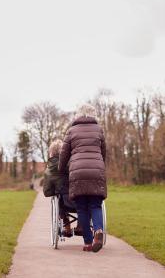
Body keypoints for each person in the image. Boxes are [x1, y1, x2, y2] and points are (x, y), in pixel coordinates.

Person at [58, 104, 107, 252]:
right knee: (95, 205)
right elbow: (104, 152)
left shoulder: (71, 131)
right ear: (93, 115)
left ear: (77, 116)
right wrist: (100, 165)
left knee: (82, 208)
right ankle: (98, 230)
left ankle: (88, 243)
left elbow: (64, 154)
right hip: (97, 172)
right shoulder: (99, 130)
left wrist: (61, 169)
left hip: (77, 173)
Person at [43, 139, 82, 237]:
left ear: (51, 153)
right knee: (83, 199)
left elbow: (47, 192)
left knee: (59, 197)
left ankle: (67, 227)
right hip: (81, 200)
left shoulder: (49, 171)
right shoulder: (75, 164)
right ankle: (81, 225)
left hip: (65, 203)